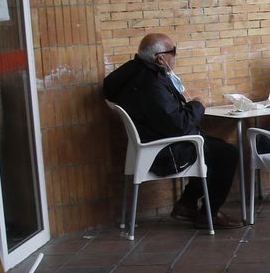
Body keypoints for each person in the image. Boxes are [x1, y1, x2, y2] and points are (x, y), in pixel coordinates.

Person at [103, 33, 244, 230]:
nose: (175, 57)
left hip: (149, 143)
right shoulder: (151, 85)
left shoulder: (132, 73)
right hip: (166, 153)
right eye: (173, 52)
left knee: (212, 146)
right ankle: (209, 214)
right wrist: (198, 105)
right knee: (227, 153)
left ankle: (186, 205)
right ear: (160, 58)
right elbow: (181, 125)